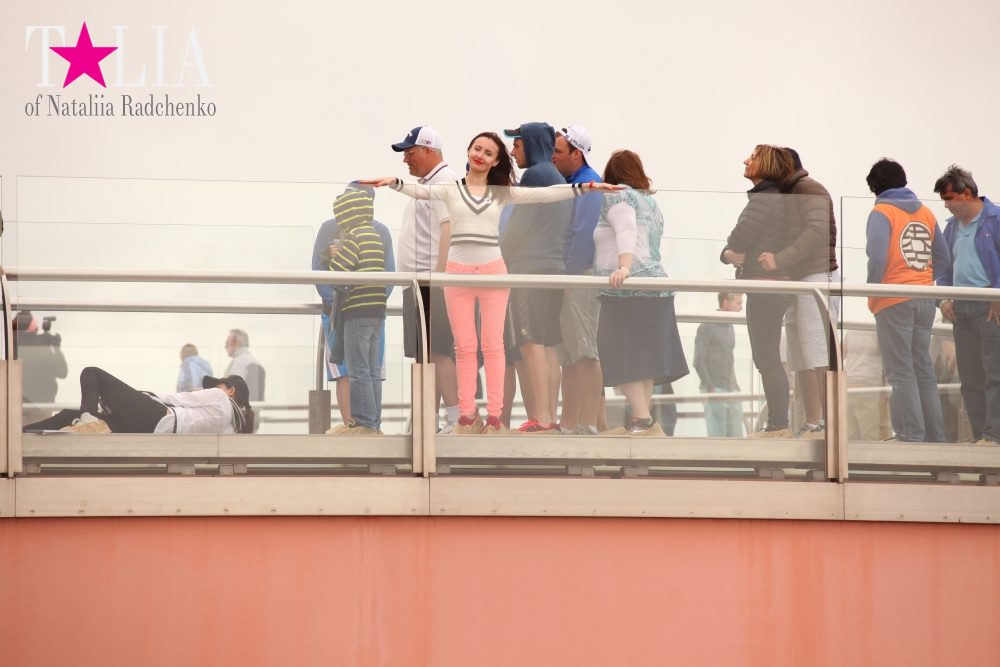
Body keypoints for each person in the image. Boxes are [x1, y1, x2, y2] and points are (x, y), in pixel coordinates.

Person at [364, 131, 619, 435]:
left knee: (494, 345)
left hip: (493, 272)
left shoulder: (502, 191)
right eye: (477, 148)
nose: (480, 155)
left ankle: (495, 417)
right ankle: (468, 416)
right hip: (457, 273)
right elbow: (420, 192)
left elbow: (546, 194)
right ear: (468, 151)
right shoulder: (450, 189)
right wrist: (393, 182)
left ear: (496, 161)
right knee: (464, 346)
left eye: (488, 152)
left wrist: (587, 188)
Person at [593, 149, 689, 436]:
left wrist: (623, 267)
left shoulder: (617, 195)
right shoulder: (649, 202)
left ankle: (642, 420)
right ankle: (642, 420)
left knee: (624, 356)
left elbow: (626, 229)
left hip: (628, 288)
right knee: (643, 361)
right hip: (654, 287)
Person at [864, 158, 949, 443]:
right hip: (924, 299)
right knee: (922, 369)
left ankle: (909, 434)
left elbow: (876, 257)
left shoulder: (881, 211)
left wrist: (874, 292)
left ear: (875, 187)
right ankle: (935, 437)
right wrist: (923, 279)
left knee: (900, 370)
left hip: (893, 298)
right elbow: (944, 258)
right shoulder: (926, 212)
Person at [759, 148, 840, 437]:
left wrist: (780, 260)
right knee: (801, 357)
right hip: (798, 278)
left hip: (816, 276)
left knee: (818, 352)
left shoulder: (808, 188)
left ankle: (830, 426)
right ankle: (813, 422)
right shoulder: (789, 192)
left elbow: (816, 231)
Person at [499, 122, 574, 434]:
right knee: (548, 345)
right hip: (553, 269)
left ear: (530, 144)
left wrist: (495, 259)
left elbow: (518, 228)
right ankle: (549, 419)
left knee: (530, 343)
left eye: (517, 145)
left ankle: (540, 419)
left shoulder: (535, 176)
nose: (514, 153)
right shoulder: (557, 177)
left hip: (528, 271)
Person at [390, 127, 462, 433]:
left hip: (432, 282)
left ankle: (458, 419)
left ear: (428, 150)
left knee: (438, 351)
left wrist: (442, 277)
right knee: (423, 354)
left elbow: (449, 227)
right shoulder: (427, 184)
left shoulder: (445, 181)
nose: (406, 160)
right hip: (419, 282)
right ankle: (426, 420)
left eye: (410, 152)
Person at [721, 145, 794, 438]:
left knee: (766, 358)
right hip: (770, 284)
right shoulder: (771, 197)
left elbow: (740, 235)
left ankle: (778, 425)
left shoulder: (764, 198)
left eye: (752, 157)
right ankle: (778, 422)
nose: (745, 160)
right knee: (767, 358)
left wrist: (728, 250)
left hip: (764, 285)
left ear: (764, 165)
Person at [312, 183, 395, 433]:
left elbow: (338, 269)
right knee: (371, 371)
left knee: (357, 371)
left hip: (356, 312)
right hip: (376, 312)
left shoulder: (356, 235)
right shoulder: (374, 233)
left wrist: (336, 257)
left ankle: (361, 425)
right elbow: (384, 274)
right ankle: (374, 423)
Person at [934, 164, 1000, 444]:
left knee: (994, 373)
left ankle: (994, 435)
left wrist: (997, 295)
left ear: (968, 193)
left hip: (990, 307)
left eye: (949, 198)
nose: (947, 206)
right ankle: (980, 437)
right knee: (971, 377)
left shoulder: (996, 220)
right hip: (962, 309)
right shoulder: (950, 228)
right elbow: (942, 269)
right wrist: (943, 298)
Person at [551, 125, 605, 436]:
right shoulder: (568, 183)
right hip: (569, 277)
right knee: (569, 356)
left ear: (576, 153)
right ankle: (569, 423)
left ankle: (589, 423)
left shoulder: (589, 183)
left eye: (558, 151)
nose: (553, 157)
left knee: (584, 352)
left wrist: (569, 278)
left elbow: (584, 234)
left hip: (581, 277)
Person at [24, 368, 254, 434]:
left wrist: (145, 395)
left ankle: (88, 416)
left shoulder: (219, 397)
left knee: (91, 373)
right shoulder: (233, 429)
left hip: (157, 416)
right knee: (67, 416)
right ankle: (26, 432)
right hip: (152, 432)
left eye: (218, 384)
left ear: (231, 390)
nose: (214, 388)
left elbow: (178, 399)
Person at [693, 293, 744, 437]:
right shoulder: (707, 326)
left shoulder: (730, 326)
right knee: (718, 440)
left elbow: (728, 357)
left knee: (737, 441)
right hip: (715, 390)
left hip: (732, 390)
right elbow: (698, 360)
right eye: (739, 303)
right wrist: (710, 388)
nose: (741, 308)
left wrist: (736, 388)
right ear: (726, 302)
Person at [15, 311, 68, 423]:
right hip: (39, 406)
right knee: (35, 439)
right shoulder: (39, 348)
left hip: (17, 405)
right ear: (34, 328)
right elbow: (62, 372)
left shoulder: (14, 346)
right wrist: (56, 348)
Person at [843, 329, 890, 441]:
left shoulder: (850, 332)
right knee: (874, 435)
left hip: (848, 386)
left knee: (850, 437)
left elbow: (842, 354)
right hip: (870, 385)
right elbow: (888, 356)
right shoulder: (876, 330)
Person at [224, 329, 265, 401]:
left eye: (227, 343)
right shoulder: (254, 361)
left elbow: (230, 391)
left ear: (235, 343)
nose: (225, 346)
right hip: (254, 409)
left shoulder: (239, 362)